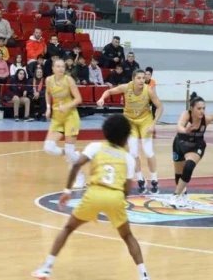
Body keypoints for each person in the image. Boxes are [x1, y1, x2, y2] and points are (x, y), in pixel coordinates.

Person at [31, 115, 151, 280]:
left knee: (68, 228)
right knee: (128, 236)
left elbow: (76, 164)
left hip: (94, 194)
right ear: (125, 138)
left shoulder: (95, 147)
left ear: (105, 132)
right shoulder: (128, 158)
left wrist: (67, 190)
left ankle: (46, 268)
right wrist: (116, 202)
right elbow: (127, 189)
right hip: (115, 197)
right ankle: (144, 275)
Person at [167, 93, 213, 209]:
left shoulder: (205, 119)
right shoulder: (186, 114)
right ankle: (184, 194)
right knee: (179, 174)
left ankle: (175, 195)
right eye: (199, 108)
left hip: (196, 146)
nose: (202, 111)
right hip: (180, 144)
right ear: (192, 108)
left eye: (203, 108)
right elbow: (178, 126)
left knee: (189, 167)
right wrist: (185, 130)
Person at [97, 69, 165, 195]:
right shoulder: (126, 87)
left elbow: (160, 107)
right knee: (133, 152)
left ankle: (154, 180)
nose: (141, 80)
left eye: (143, 78)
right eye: (139, 78)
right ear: (133, 79)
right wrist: (102, 98)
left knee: (148, 151)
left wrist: (153, 124)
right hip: (130, 121)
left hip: (145, 120)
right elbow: (109, 91)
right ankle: (140, 180)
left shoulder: (149, 90)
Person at [42, 59, 86, 189]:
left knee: (69, 150)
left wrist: (67, 106)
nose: (61, 69)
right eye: (58, 66)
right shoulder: (49, 80)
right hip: (57, 117)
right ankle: (72, 155)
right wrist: (48, 107)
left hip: (70, 117)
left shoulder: (69, 80)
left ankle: (80, 178)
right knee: (48, 147)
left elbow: (79, 99)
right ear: (53, 68)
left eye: (62, 66)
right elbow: (47, 93)